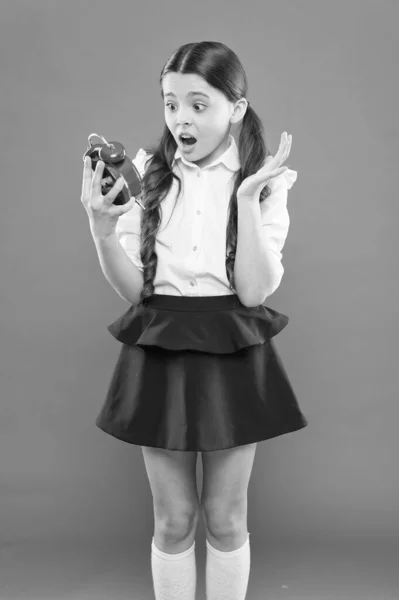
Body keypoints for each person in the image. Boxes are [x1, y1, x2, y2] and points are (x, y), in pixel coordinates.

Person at [81, 40, 308, 600]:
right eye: (170, 103)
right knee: (173, 520)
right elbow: (136, 291)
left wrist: (250, 200)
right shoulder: (146, 174)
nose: (181, 118)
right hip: (160, 342)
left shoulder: (265, 179)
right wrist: (102, 229)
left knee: (226, 518)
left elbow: (254, 290)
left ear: (236, 107)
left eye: (198, 105)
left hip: (232, 343)